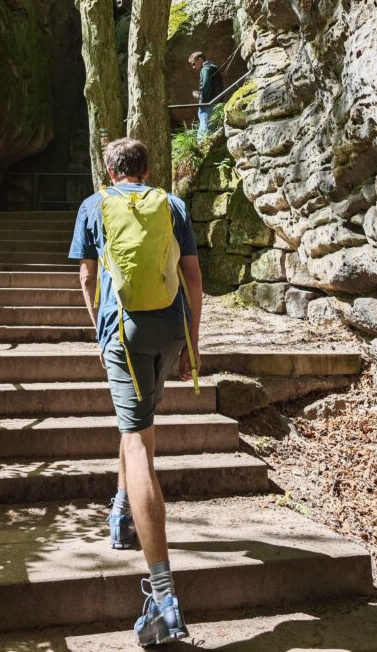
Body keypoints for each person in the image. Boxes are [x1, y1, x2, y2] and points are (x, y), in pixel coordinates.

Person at [68, 138, 203, 646]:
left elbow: (86, 277)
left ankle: (164, 598)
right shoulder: (172, 204)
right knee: (139, 426)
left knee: (135, 441)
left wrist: (97, 328)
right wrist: (193, 340)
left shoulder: (93, 205)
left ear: (109, 169)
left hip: (123, 331)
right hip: (170, 329)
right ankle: (123, 511)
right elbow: (193, 277)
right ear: (147, 169)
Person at [188, 51, 223, 138]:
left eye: (193, 63)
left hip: (208, 104)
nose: (193, 67)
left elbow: (206, 86)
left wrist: (200, 99)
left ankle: (204, 149)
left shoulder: (205, 69)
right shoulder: (212, 67)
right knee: (212, 129)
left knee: (204, 133)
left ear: (200, 60)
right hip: (215, 102)